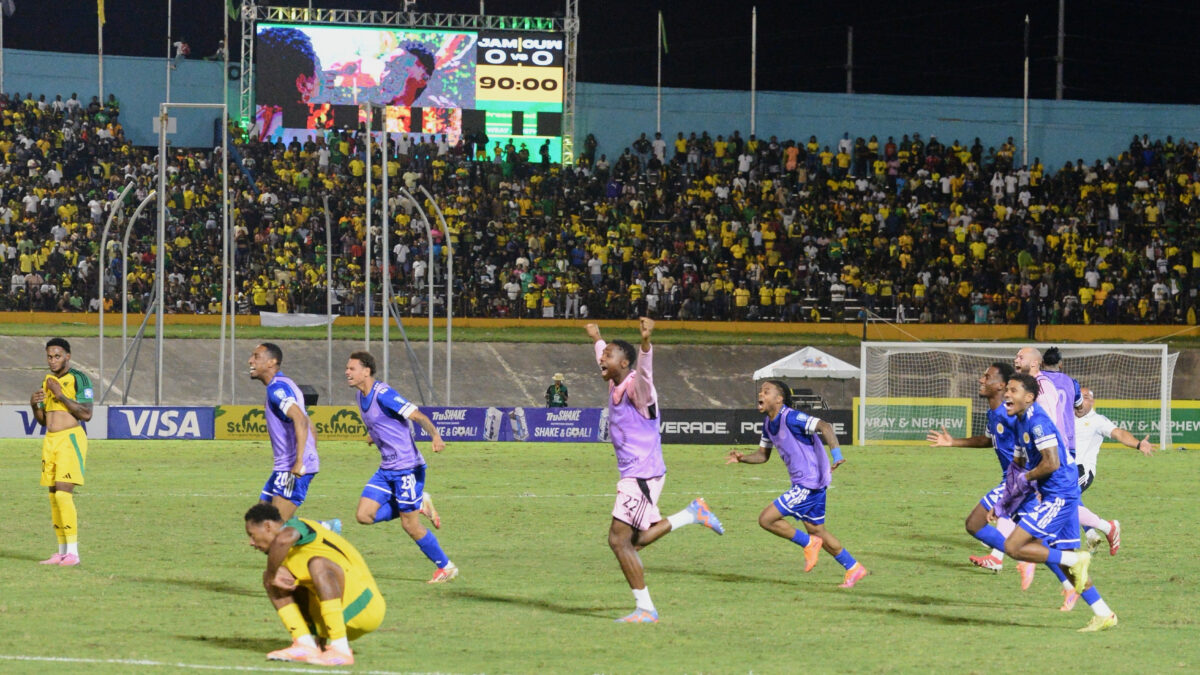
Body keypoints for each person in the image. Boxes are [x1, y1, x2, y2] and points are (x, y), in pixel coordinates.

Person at [585, 318, 725, 623]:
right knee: (634, 542)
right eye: (603, 355)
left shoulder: (638, 389)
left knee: (618, 541)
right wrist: (597, 338)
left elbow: (645, 374)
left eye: (608, 355)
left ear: (625, 363)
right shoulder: (615, 379)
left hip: (641, 474)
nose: (602, 359)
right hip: (641, 472)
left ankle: (646, 610)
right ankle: (692, 514)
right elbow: (604, 356)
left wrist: (646, 344)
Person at [1000, 373, 1118, 632]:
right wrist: (1005, 501)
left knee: (1014, 545)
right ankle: (1104, 613)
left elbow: (1051, 463)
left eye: (1013, 390)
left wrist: (1025, 480)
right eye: (1007, 389)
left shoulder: (1038, 422)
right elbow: (1018, 464)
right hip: (1057, 493)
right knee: (1064, 563)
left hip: (1060, 495)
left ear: (1029, 398)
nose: (1007, 394)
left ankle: (1075, 560)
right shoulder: (1020, 421)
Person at [727, 380, 868, 588]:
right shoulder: (768, 424)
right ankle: (854, 567)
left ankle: (808, 543)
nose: (761, 394)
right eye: (760, 391)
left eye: (766, 391)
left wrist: (837, 454)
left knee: (766, 519)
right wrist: (742, 458)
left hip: (808, 483)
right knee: (817, 530)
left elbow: (825, 426)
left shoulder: (791, 417)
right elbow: (762, 455)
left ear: (779, 399)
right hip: (811, 483)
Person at [345, 351, 458, 584]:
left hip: (407, 468)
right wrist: (374, 435)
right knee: (364, 515)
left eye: (352, 368)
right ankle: (419, 503)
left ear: (366, 371)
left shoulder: (384, 394)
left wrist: (435, 436)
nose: (347, 372)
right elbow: (381, 422)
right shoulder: (359, 396)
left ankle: (446, 567)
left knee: (410, 525)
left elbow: (415, 415)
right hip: (386, 469)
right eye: (347, 368)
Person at [926, 362, 1035, 583]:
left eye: (987, 377)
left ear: (1001, 385)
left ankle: (1025, 557)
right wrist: (953, 442)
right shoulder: (993, 413)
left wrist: (1028, 478)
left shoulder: (1012, 415)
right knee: (1045, 537)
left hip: (1020, 480)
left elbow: (1033, 445)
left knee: (975, 523)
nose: (981, 380)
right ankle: (1061, 564)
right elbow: (987, 440)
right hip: (1015, 479)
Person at [245, 503, 385, 666]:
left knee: (316, 565)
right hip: (336, 620)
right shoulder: (286, 556)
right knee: (276, 577)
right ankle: (305, 645)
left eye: (252, 535)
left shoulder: (296, 526)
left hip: (365, 608)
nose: (251, 542)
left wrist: (272, 576)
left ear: (268, 526)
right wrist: (322, 638)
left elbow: (283, 539)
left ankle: (341, 649)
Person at [248, 343, 339, 531]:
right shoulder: (286, 384)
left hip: (291, 468)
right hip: (284, 466)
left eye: (256, 356)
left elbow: (300, 419)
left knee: (272, 528)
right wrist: (310, 454)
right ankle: (324, 527)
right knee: (259, 522)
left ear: (272, 362)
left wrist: (300, 461)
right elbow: (308, 423)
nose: (250, 361)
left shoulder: (277, 389)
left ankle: (323, 530)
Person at [30, 338, 93, 566]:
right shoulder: (47, 381)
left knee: (63, 495)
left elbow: (86, 414)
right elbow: (43, 420)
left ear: (68, 356)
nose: (52, 360)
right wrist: (34, 404)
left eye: (57, 356)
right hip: (51, 441)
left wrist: (61, 395)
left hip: (70, 440)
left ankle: (73, 554)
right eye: (49, 356)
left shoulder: (79, 378)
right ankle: (61, 552)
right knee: (53, 497)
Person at [1075, 387, 1155, 555]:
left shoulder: (1097, 420)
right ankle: (1092, 533)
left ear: (1093, 402)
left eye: (1086, 397)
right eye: (1079, 397)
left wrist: (1138, 444)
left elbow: (1119, 433)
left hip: (1082, 471)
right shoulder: (1065, 416)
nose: (1081, 401)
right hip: (1063, 468)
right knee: (1064, 500)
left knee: (1059, 498)